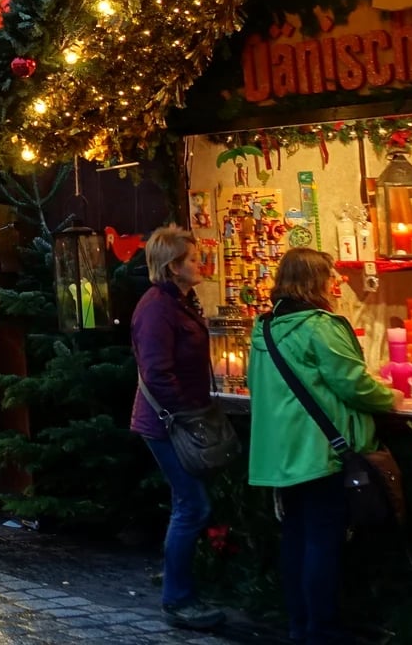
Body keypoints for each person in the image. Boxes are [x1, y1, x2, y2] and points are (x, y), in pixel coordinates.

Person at [248, 247, 398, 645]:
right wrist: (391, 397)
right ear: (316, 282)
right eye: (330, 277)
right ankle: (323, 631)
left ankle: (300, 625)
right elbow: (352, 382)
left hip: (281, 455)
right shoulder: (321, 326)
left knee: (297, 539)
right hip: (320, 452)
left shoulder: (263, 329)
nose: (335, 285)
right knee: (322, 541)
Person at [131, 226, 224, 631]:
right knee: (193, 505)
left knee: (188, 504)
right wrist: (187, 412)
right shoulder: (156, 309)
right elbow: (156, 372)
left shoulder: (183, 303)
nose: (200, 264)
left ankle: (182, 590)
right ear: (173, 267)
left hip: (180, 417)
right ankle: (178, 598)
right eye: (192, 259)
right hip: (168, 423)